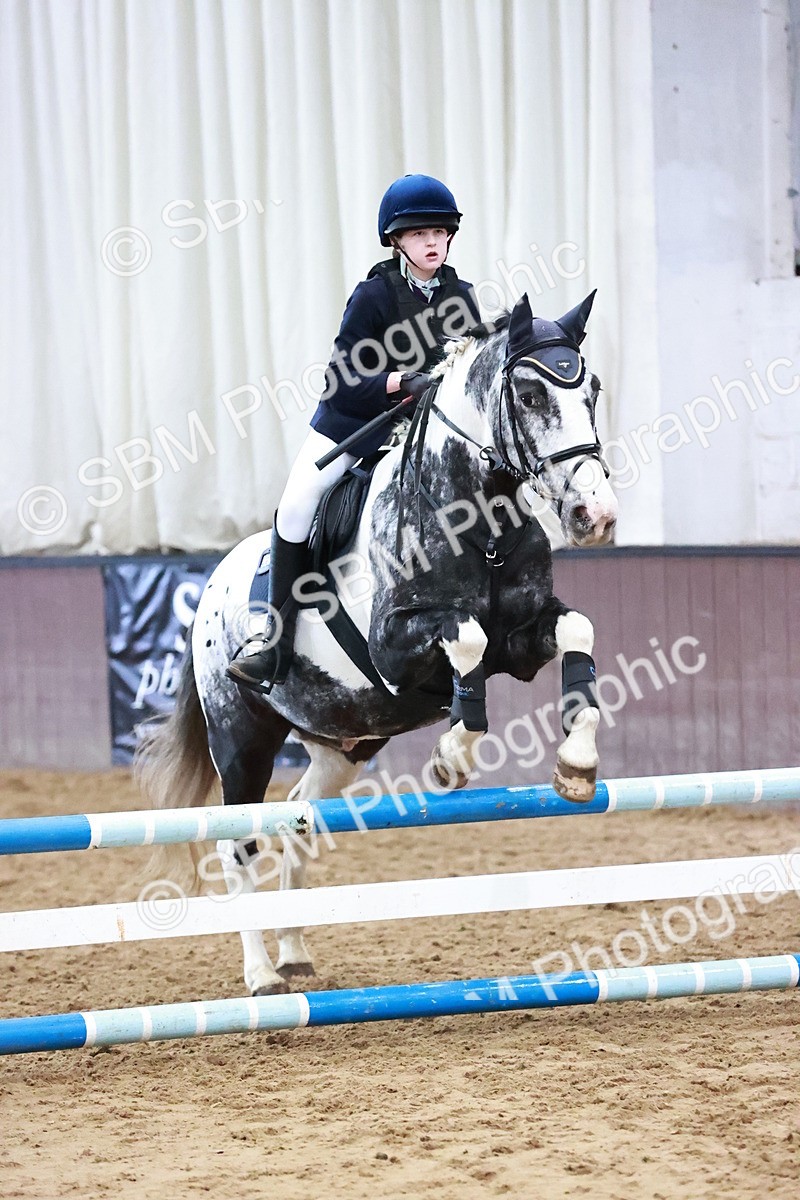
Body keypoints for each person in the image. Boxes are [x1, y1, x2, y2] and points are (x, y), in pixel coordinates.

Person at [227, 173, 481, 692]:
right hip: (355, 425)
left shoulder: (462, 296)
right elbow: (340, 379)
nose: (432, 242)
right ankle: (269, 642)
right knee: (296, 507)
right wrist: (399, 381)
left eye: (439, 232)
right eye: (418, 235)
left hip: (421, 434)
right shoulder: (374, 296)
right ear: (396, 240)